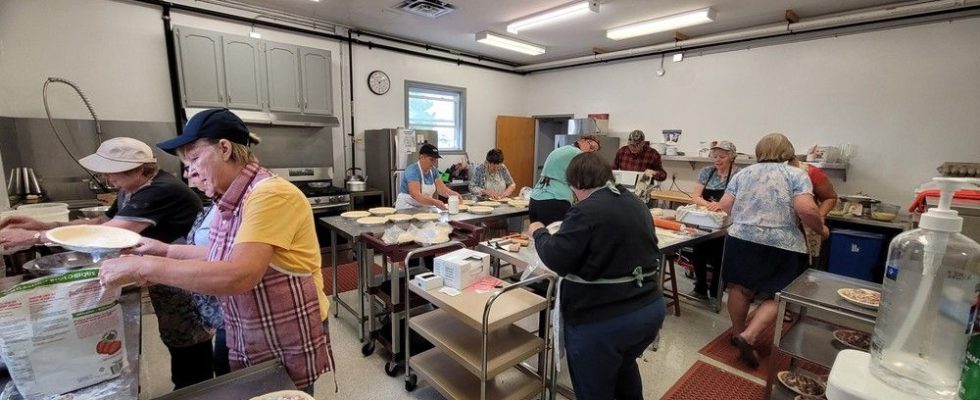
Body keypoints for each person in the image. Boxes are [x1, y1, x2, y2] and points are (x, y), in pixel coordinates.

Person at [98, 108, 333, 393]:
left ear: (224, 149)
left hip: (286, 329)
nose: (190, 173)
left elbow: (240, 274)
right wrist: (165, 252)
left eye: (194, 158)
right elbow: (223, 252)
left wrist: (142, 267)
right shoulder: (233, 195)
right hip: (249, 325)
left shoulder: (270, 195)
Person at [0, 137, 213, 389]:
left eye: (112, 172)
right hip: (161, 273)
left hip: (184, 279)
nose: (106, 178)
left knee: (188, 341)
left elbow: (107, 235)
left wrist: (34, 237)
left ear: (137, 169)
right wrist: (45, 226)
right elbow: (99, 224)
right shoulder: (132, 188)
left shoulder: (161, 190)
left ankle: (196, 391)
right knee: (176, 338)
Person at [529, 152, 665, 399]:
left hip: (604, 320)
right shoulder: (634, 202)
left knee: (594, 389)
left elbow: (557, 259)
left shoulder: (585, 211)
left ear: (578, 184)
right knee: (624, 369)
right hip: (648, 309)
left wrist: (539, 233)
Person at [717, 133, 828, 369]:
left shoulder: (743, 173)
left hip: (741, 239)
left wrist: (747, 219)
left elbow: (724, 206)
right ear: (788, 152)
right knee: (780, 294)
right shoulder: (796, 174)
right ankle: (750, 335)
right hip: (782, 242)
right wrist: (821, 229)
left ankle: (738, 332)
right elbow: (807, 209)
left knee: (739, 287)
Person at [688, 140, 740, 301]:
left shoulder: (738, 175)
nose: (717, 160)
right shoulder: (706, 172)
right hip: (705, 220)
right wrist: (710, 205)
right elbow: (695, 196)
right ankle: (700, 288)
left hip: (726, 222)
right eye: (715, 156)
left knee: (720, 257)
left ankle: (716, 290)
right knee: (699, 253)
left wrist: (721, 205)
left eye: (722, 156)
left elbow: (739, 199)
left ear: (731, 157)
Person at [528, 135, 601, 225]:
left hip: (535, 198)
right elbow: (583, 182)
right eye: (591, 146)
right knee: (556, 236)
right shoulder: (578, 153)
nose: (591, 151)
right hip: (554, 201)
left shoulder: (563, 149)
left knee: (538, 235)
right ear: (582, 141)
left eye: (594, 150)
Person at [789, 156, 838, 265]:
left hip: (803, 231)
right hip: (771, 236)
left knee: (800, 270)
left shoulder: (811, 172)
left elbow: (829, 198)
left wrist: (819, 217)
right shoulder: (762, 173)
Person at [394, 143, 461, 210]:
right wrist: (434, 202)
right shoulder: (413, 170)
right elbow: (415, 194)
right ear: (422, 157)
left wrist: (455, 195)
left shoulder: (434, 170)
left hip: (423, 207)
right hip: (406, 207)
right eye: (431, 159)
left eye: (435, 160)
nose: (434, 163)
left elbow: (442, 190)